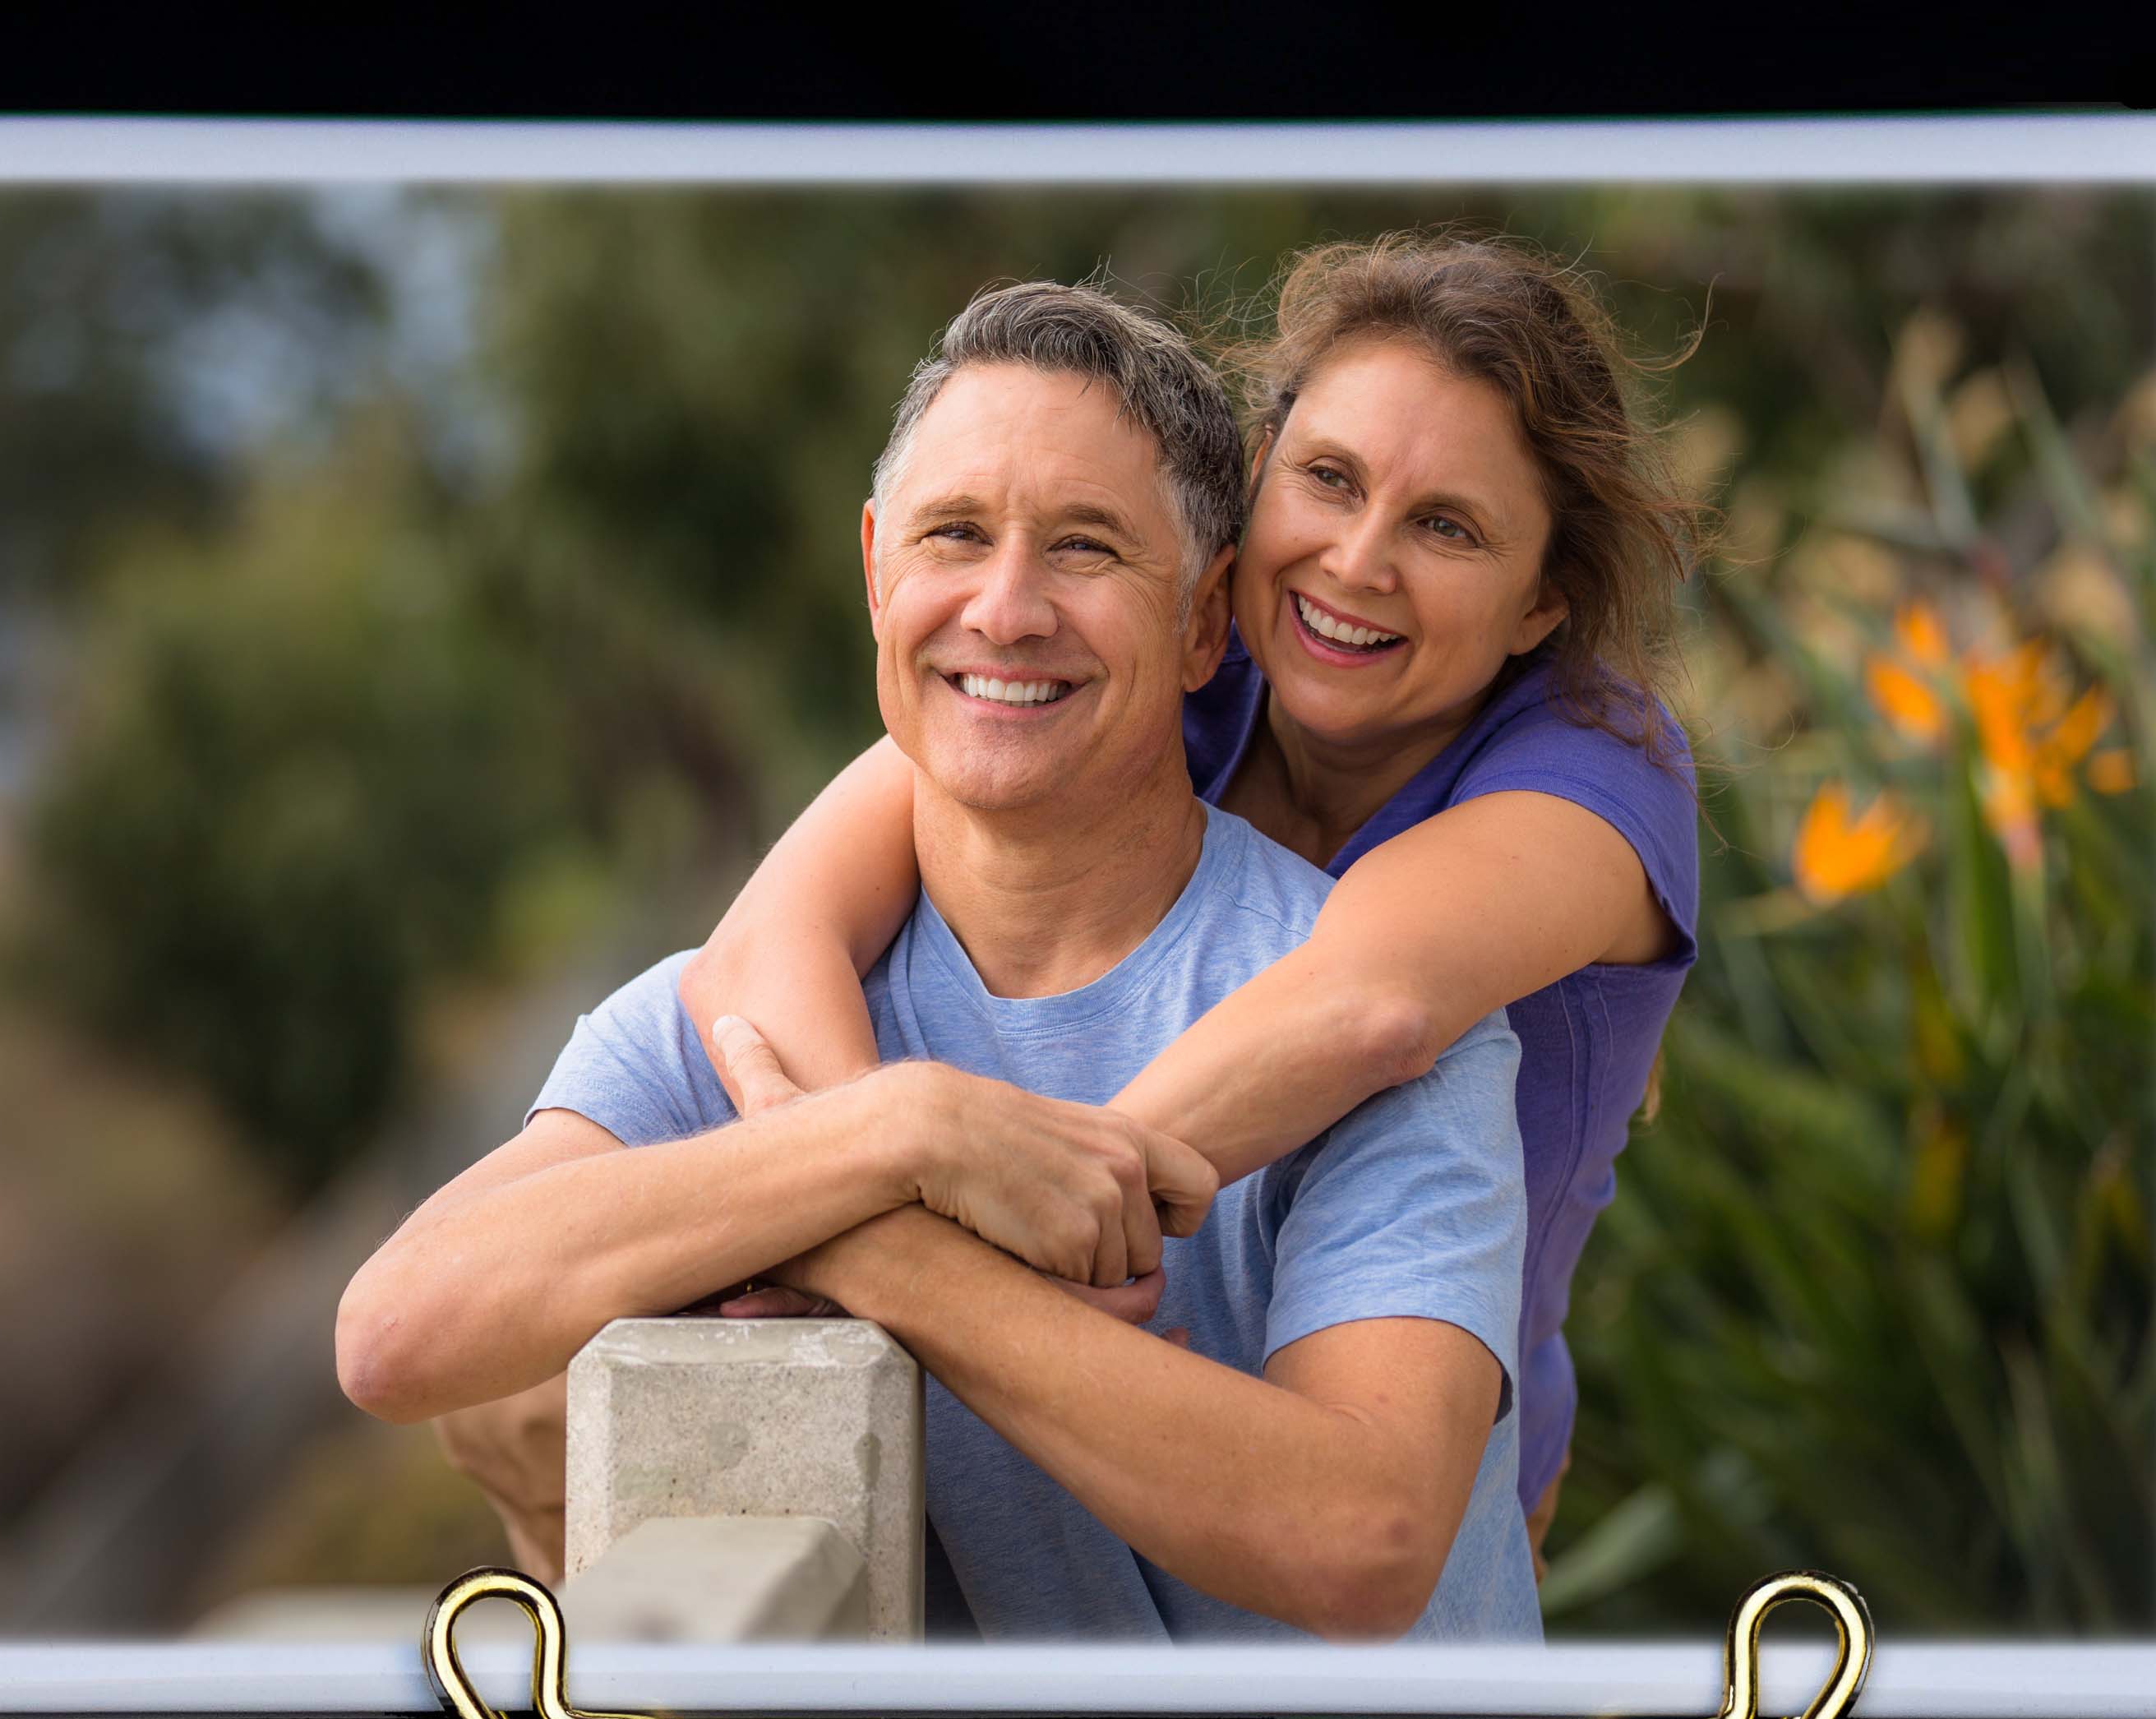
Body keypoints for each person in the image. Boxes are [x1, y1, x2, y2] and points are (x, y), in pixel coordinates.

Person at [340, 280, 1539, 1643]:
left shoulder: (1364, 1014)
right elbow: (397, 1332)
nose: (1005, 607)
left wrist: (879, 1245)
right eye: (953, 536)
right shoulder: (746, 1007)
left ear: (1207, 620)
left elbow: (1363, 1539)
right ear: (874, 573)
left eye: (1084, 548)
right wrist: (901, 1126)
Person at [681, 233, 1706, 1577]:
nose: (1356, 561)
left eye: (1445, 526)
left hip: (1384, 1466)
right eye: (1326, 481)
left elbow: (1368, 1004)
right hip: (1079, 1375)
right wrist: (871, 1190)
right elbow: (764, 942)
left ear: (1538, 604)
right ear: (1257, 481)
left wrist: (900, 1238)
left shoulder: (1593, 772)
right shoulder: (1167, 659)